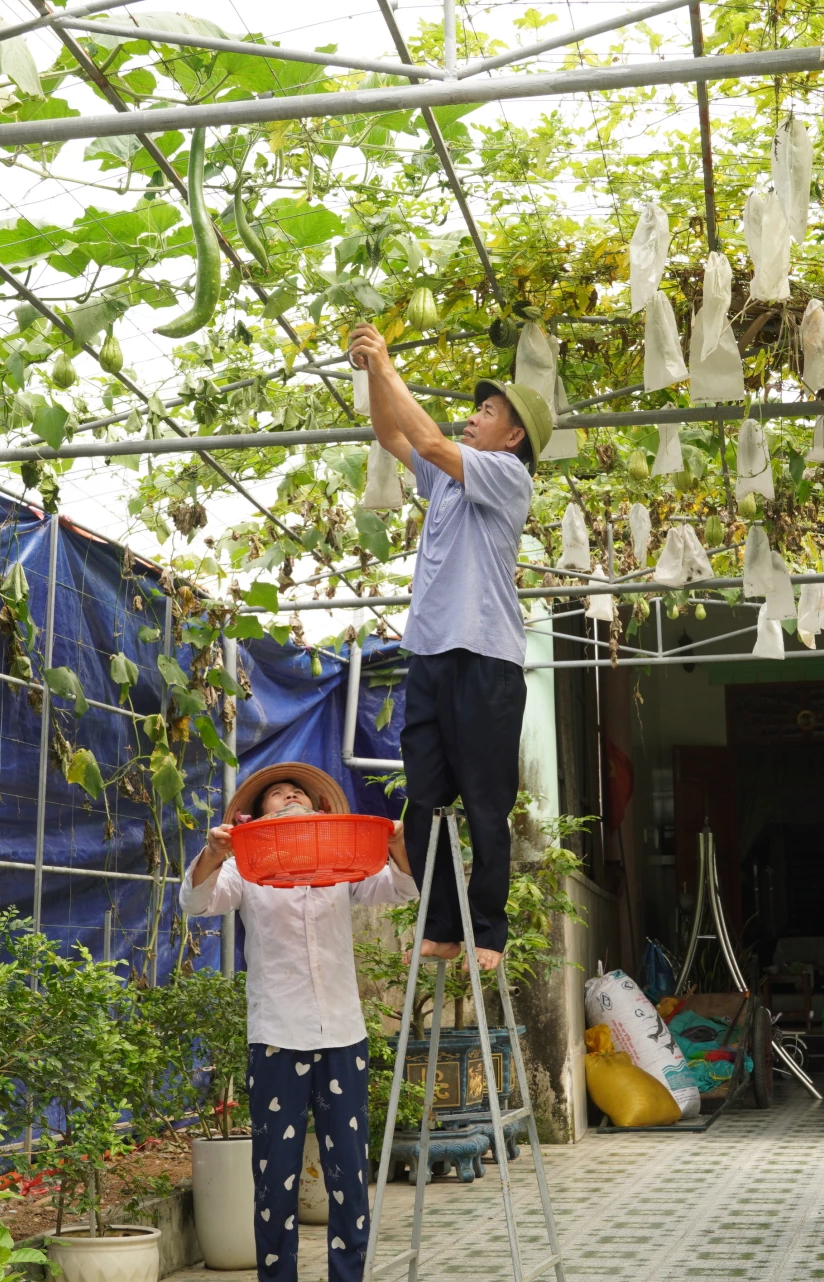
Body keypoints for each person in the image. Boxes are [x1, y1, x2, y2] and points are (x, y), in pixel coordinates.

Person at [346, 322, 552, 973]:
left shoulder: (508, 476)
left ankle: (488, 931)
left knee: (487, 804)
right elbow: (393, 436)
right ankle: (439, 925)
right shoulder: (445, 481)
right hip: (431, 654)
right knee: (424, 801)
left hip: (487, 659)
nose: (472, 417)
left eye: (486, 412)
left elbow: (431, 441)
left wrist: (387, 362)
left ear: (513, 437)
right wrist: (374, 377)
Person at [181, 761, 416, 1282]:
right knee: (275, 1175)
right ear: (257, 815)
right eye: (277, 794)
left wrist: (398, 842)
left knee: (349, 1173)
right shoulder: (245, 868)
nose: (290, 797)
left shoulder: (341, 863)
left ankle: (348, 1276)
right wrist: (216, 852)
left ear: (317, 808)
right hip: (276, 1037)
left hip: (343, 1034)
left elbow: (401, 888)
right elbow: (197, 901)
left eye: (298, 793)